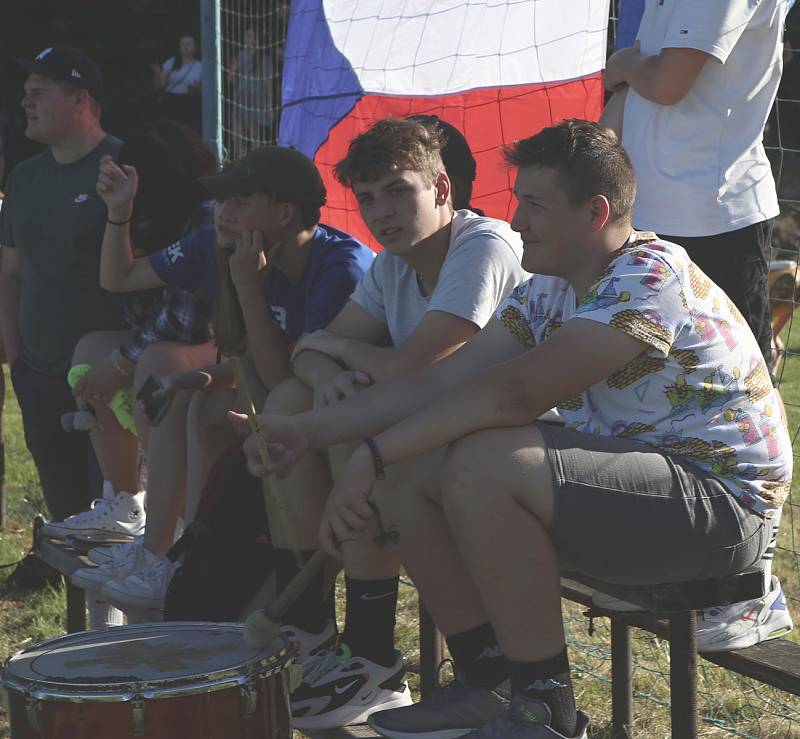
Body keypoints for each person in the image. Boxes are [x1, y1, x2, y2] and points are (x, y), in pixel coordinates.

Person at [237, 120, 792, 738]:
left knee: (487, 460)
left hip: (724, 513)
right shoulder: (550, 290)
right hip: (637, 500)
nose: (517, 219)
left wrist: (368, 451)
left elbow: (514, 393)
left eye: (534, 204)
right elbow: (438, 383)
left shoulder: (647, 274)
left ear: (595, 211)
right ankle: (488, 680)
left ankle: (543, 711)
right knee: (413, 467)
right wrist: (309, 433)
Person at [245, 118, 526, 731]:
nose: (382, 213)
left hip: (506, 437)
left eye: (399, 191)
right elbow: (308, 355)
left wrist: (332, 352)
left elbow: (415, 367)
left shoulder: (485, 245)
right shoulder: (394, 264)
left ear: (442, 189)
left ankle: (373, 654)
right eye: (368, 198)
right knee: (295, 398)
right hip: (440, 425)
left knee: (351, 418)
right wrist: (324, 370)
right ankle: (311, 626)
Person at [69, 145, 374, 613]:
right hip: (287, 397)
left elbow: (283, 376)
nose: (222, 213)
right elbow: (119, 278)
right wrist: (119, 212)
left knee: (217, 401)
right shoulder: (219, 242)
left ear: (285, 212)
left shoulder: (340, 268)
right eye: (221, 201)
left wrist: (247, 287)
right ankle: (180, 556)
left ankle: (208, 567)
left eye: (238, 202)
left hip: (342, 422)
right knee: (189, 400)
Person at [601, 0, 793, 650]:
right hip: (657, 209)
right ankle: (696, 563)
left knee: (740, 399)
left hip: (714, 214)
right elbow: (636, 96)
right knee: (659, 395)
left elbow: (667, 79)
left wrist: (624, 62)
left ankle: (752, 588)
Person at [39, 120, 219, 546]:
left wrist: (121, 363)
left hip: (219, 347)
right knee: (90, 350)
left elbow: (191, 323)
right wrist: (119, 213)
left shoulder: (208, 216)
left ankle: (169, 525)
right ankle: (125, 503)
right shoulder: (141, 215)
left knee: (156, 365)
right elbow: (115, 283)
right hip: (170, 342)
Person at [0, 46, 125, 525]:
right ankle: (77, 594)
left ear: (81, 101)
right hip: (38, 374)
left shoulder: (125, 165)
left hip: (109, 376)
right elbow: (9, 275)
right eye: (24, 94)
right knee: (66, 512)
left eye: (39, 93)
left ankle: (114, 602)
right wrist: (18, 364)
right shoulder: (25, 178)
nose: (25, 103)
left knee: (115, 509)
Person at [228, 28, 274, 157]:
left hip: (257, 99)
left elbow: (268, 83)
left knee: (254, 135)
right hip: (241, 98)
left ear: (257, 39)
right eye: (246, 35)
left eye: (251, 36)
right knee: (237, 134)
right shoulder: (238, 55)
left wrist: (269, 106)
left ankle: (256, 162)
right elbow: (230, 79)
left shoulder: (264, 58)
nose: (248, 39)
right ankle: (239, 161)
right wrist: (233, 70)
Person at [151, 34, 203, 132]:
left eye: (189, 44)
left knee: (186, 131)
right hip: (171, 101)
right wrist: (158, 75)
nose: (186, 47)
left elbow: (204, 91)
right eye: (183, 44)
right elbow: (159, 86)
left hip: (189, 102)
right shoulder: (171, 62)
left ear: (195, 47)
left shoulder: (200, 66)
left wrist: (197, 89)